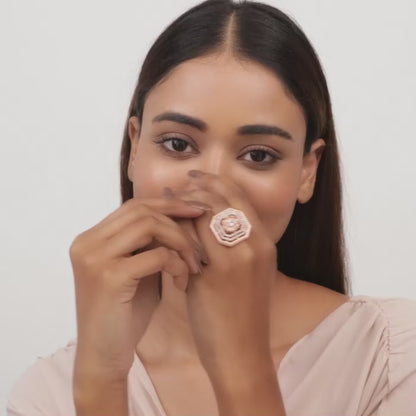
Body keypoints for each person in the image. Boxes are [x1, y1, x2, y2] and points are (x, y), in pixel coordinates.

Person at [6, 1, 416, 415]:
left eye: (258, 155)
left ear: (307, 171)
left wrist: (240, 365)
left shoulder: (393, 357)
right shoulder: (48, 393)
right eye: (178, 144)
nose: (211, 187)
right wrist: (100, 384)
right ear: (134, 148)